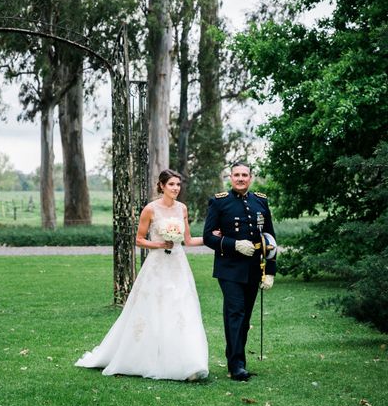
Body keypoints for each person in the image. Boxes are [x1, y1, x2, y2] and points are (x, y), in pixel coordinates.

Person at [75, 169, 208, 381]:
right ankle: (145, 358)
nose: (176, 188)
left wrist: (213, 238)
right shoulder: (151, 209)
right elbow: (139, 239)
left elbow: (189, 240)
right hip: (156, 264)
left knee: (181, 309)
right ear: (162, 186)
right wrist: (158, 244)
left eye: (178, 185)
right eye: (172, 184)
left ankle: (188, 362)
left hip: (177, 264)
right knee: (152, 309)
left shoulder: (182, 208)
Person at [203, 161, 277, 381]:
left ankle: (234, 358)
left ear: (251, 178)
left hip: (255, 267)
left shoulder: (260, 202)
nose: (241, 178)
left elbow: (270, 240)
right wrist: (233, 244)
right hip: (229, 268)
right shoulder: (219, 202)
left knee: (244, 318)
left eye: (245, 174)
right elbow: (208, 237)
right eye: (237, 175)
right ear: (230, 177)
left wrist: (270, 270)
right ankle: (237, 365)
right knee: (236, 312)